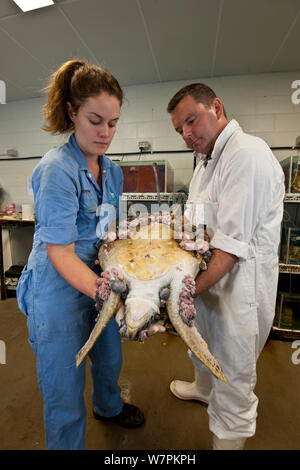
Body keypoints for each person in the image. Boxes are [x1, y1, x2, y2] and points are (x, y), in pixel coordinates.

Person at [17, 59, 144, 450]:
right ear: (71, 113)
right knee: (64, 385)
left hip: (97, 278)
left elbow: (108, 234)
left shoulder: (114, 172)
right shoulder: (57, 170)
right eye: (95, 120)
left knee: (108, 358)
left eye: (113, 122)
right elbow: (61, 253)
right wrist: (112, 295)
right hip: (58, 289)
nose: (105, 133)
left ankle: (107, 407)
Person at [167, 83, 284, 450]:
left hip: (237, 292)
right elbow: (196, 227)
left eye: (191, 120)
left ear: (215, 107)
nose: (187, 134)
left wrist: (179, 295)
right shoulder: (205, 162)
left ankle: (228, 436)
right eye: (179, 129)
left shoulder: (247, 155)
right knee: (199, 343)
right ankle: (203, 389)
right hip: (209, 286)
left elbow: (230, 249)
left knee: (232, 373)